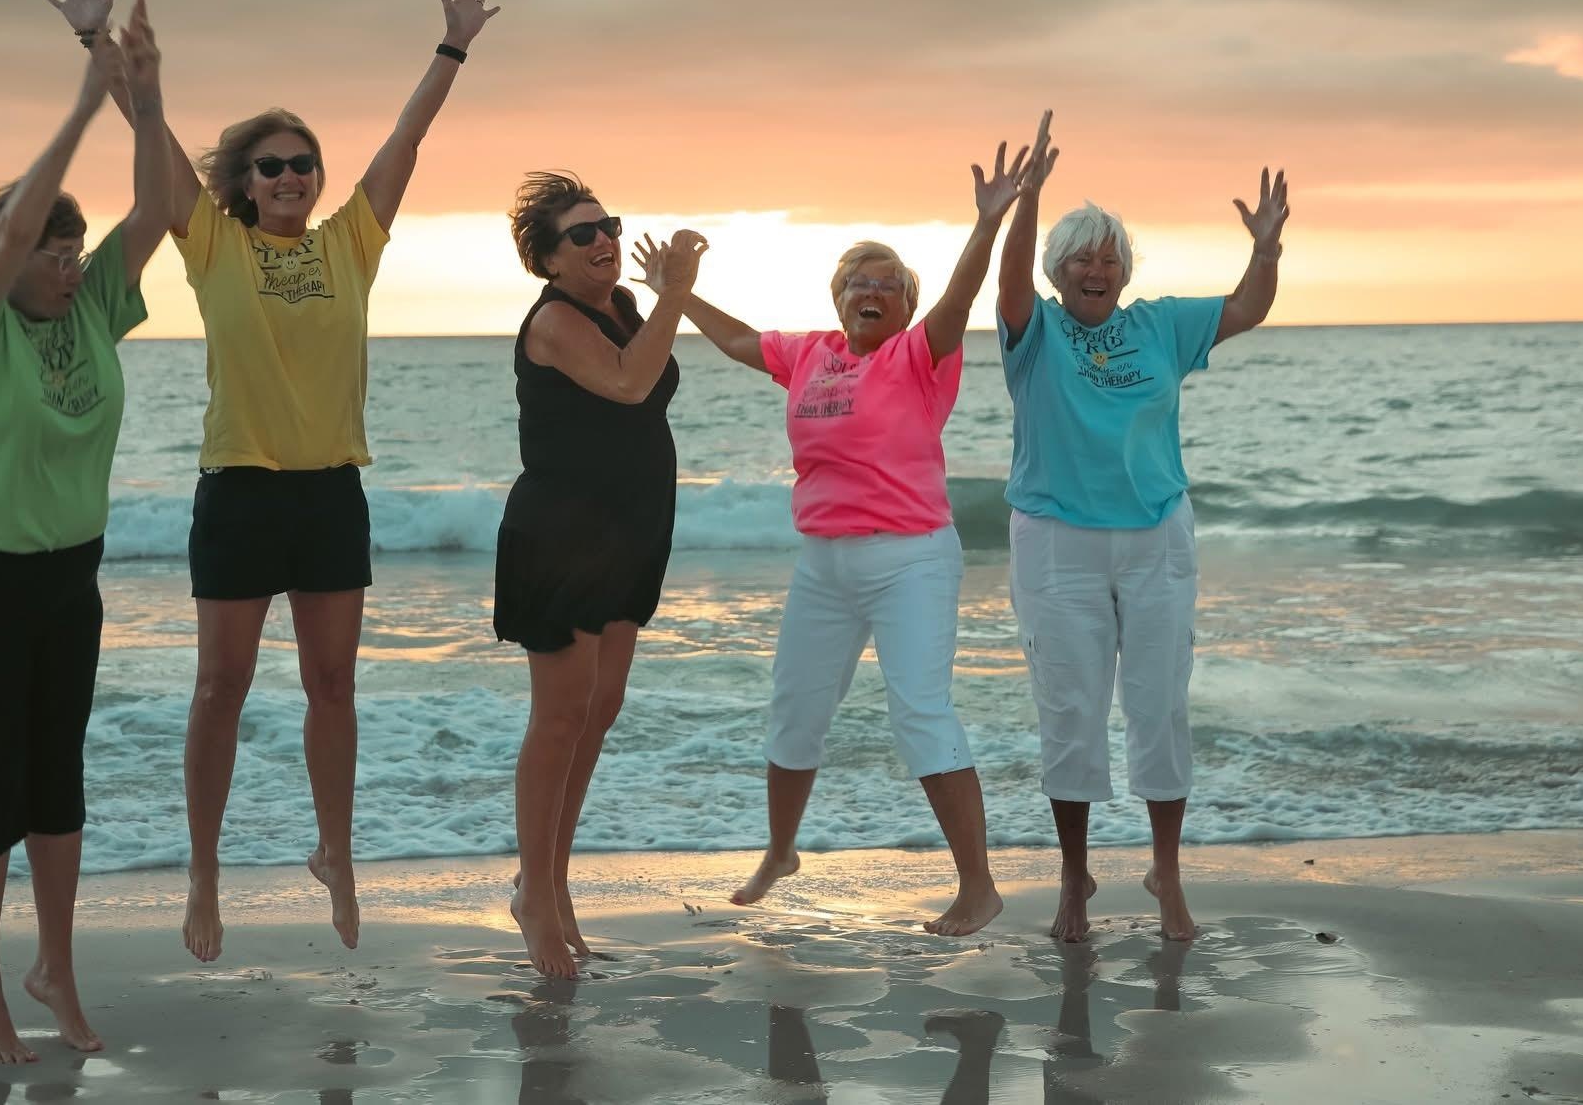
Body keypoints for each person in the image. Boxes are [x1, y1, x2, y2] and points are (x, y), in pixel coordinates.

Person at [46, 0, 501, 962]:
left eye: (302, 163)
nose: (291, 177)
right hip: (240, 493)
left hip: (331, 493)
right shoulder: (211, 244)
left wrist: (451, 48)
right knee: (221, 687)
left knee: (332, 686)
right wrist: (102, 50)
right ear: (240, 185)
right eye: (271, 167)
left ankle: (333, 851)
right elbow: (149, 140)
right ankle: (203, 875)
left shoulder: (350, 245)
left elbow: (404, 140)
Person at [652, 122, 1060, 937]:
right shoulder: (808, 354)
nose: (870, 291)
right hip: (824, 565)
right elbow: (736, 339)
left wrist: (985, 224)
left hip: (910, 559)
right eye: (855, 282)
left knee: (920, 711)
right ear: (836, 299)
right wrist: (677, 289)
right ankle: (779, 849)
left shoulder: (920, 355)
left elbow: (960, 300)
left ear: (905, 302)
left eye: (887, 283)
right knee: (794, 709)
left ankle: (976, 884)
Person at [0, 0, 170, 1064]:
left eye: (72, 246)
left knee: (57, 778)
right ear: (1, 258)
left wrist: (144, 101)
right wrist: (81, 94)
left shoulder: (96, 306)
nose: (65, 260)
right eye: (47, 247)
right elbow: (14, 221)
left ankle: (54, 965)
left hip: (71, 569)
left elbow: (154, 215)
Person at [994, 114, 1290, 943]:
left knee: (1159, 705)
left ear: (1124, 271)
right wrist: (1028, 202)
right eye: (1081, 257)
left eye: (1109, 256)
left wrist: (1265, 247)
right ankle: (1073, 877)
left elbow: (1246, 308)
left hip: (1158, 534)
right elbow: (1010, 281)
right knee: (1071, 707)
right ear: (1059, 272)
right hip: (1058, 540)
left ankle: (1167, 871)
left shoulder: (1160, 323)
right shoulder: (1035, 330)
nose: (1097, 267)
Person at [495, 171, 706, 979]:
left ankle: (549, 878)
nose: (602, 241)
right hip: (562, 535)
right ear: (546, 259)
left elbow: (642, 368)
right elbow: (628, 380)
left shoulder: (620, 305)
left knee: (599, 708)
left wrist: (660, 299)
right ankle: (535, 901)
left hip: (629, 530)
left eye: (607, 225)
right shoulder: (554, 320)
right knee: (559, 716)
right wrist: (676, 296)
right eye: (581, 234)